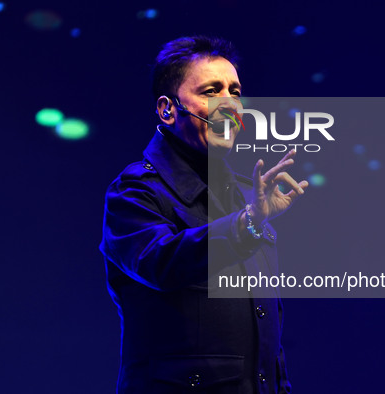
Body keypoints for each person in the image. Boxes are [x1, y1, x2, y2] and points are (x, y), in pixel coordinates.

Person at [99, 36, 308, 393]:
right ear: (168, 109)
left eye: (235, 91)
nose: (229, 104)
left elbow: (267, 339)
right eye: (212, 91)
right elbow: (161, 263)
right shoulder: (134, 192)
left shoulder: (247, 194)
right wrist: (248, 224)